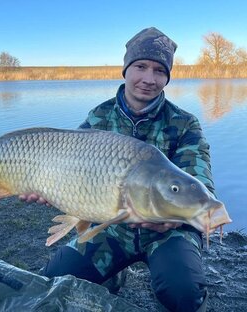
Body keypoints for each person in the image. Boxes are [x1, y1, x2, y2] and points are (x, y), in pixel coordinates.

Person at [20, 27, 213, 312]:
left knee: (183, 293)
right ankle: (113, 273)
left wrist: (177, 219)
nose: (149, 79)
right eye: (141, 66)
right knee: (55, 280)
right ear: (126, 69)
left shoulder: (185, 123)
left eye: (160, 71)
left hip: (169, 231)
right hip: (109, 226)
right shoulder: (99, 116)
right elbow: (69, 171)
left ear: (167, 77)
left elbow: (198, 184)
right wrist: (47, 186)